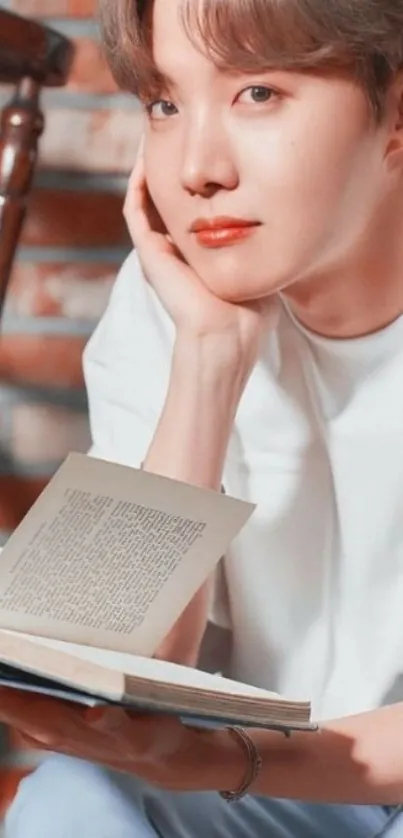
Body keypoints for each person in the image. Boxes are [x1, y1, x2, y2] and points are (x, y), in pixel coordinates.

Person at [3, 0, 403, 834]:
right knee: (67, 801)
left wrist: (218, 756)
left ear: (394, 112)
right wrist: (208, 359)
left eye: (257, 93)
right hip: (260, 786)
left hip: (328, 770)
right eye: (165, 103)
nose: (198, 167)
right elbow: (95, 675)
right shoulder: (174, 304)